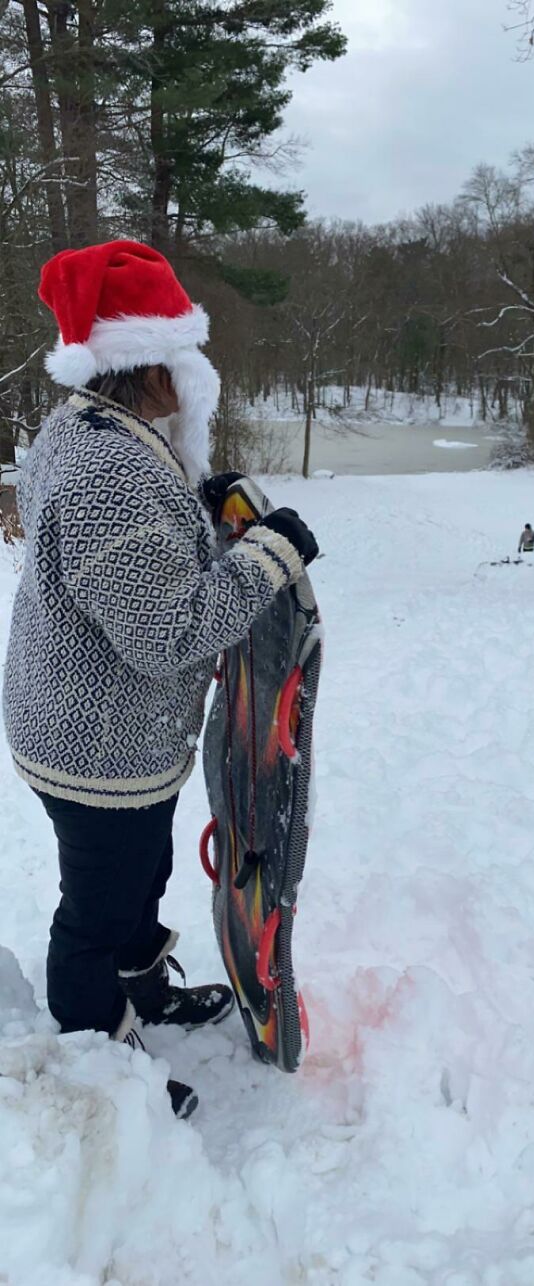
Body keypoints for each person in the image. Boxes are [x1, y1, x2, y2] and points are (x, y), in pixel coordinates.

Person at [2, 240, 319, 1120]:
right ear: (154, 367)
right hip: (94, 743)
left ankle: (141, 979)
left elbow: (139, 560)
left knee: (141, 867)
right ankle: (93, 1044)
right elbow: (169, 631)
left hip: (97, 726)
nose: (201, 375)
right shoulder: (110, 471)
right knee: (97, 904)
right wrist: (270, 555)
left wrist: (199, 504)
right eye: (191, 358)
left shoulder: (94, 432)